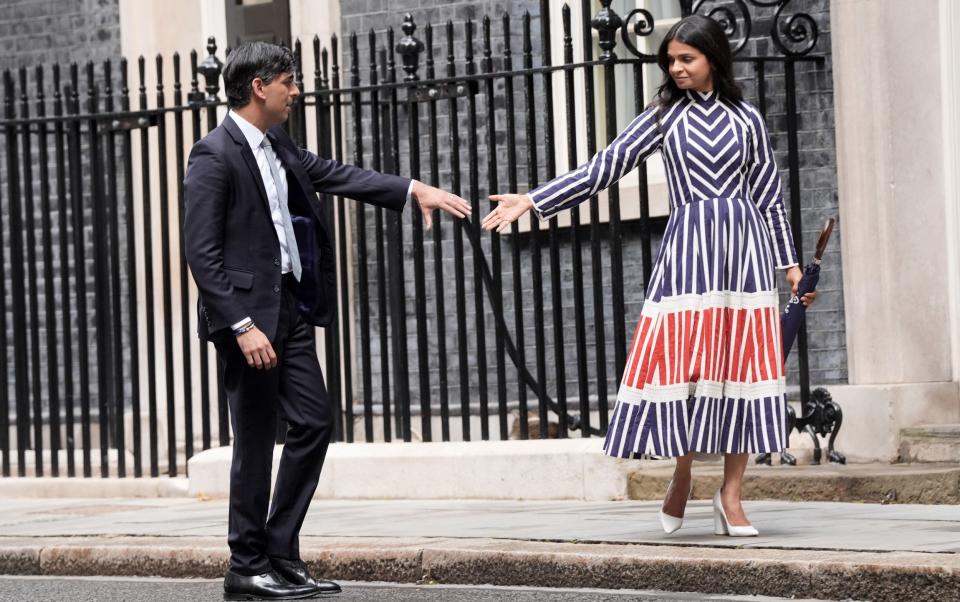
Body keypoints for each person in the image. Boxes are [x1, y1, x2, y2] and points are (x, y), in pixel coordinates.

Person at [482, 15, 816, 537]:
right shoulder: (662, 115)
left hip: (744, 253)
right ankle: (681, 474)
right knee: (686, 365)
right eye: (672, 60)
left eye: (688, 59)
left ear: (713, 59)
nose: (677, 68)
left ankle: (731, 493)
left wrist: (792, 268)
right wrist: (533, 200)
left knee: (743, 368)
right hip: (688, 253)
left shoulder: (748, 118)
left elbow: (769, 198)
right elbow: (604, 166)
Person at [184, 41, 471, 600]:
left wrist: (415, 191)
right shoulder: (213, 155)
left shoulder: (278, 144)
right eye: (288, 81)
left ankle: (280, 551)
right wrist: (242, 326)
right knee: (254, 440)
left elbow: (333, 173)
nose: (296, 91)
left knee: (314, 422)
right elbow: (202, 254)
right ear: (259, 87)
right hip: (249, 322)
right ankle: (246, 565)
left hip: (289, 308)